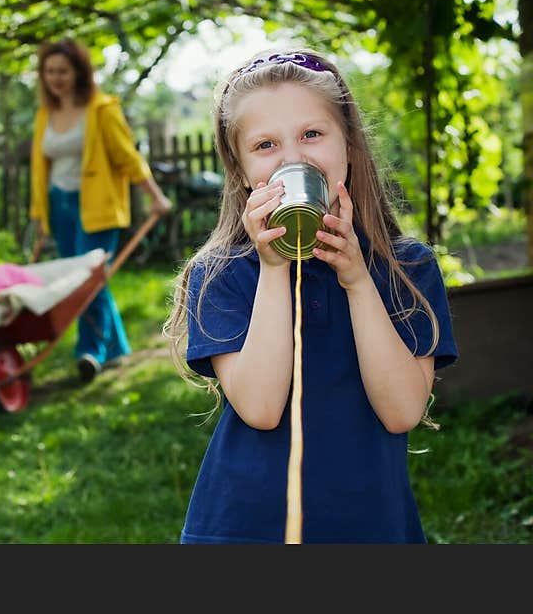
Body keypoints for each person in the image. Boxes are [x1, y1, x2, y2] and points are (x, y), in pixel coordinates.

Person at [163, 49, 459, 543]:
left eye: (312, 135)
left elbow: (403, 410)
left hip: (370, 528)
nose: (293, 158)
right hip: (243, 531)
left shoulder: (406, 268)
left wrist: (359, 281)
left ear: (350, 148)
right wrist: (275, 270)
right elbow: (260, 407)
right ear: (239, 170)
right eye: (265, 145)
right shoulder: (220, 275)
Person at [30, 38, 172, 382]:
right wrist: (38, 215)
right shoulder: (45, 115)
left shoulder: (101, 109)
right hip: (59, 205)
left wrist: (155, 196)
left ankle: (90, 351)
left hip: (96, 206)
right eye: (50, 71)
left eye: (63, 70)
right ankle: (116, 347)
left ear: (79, 72)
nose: (56, 78)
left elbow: (127, 157)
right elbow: (40, 169)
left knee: (88, 280)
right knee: (73, 279)